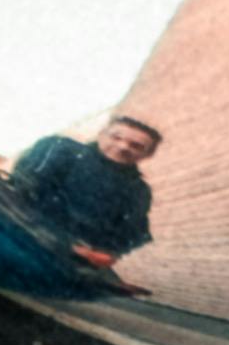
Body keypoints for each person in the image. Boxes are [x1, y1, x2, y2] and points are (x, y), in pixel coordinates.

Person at [10, 109, 162, 278]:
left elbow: (131, 233)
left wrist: (106, 253)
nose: (123, 147)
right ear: (101, 134)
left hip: (73, 262)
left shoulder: (139, 190)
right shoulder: (60, 148)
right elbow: (23, 190)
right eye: (116, 137)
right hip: (17, 234)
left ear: (147, 155)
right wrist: (64, 243)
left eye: (136, 146)